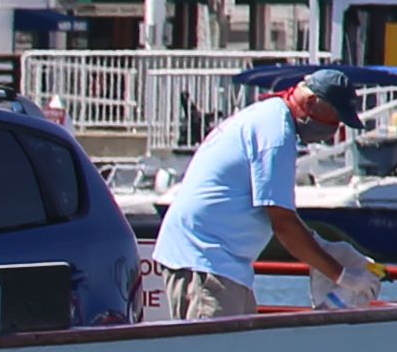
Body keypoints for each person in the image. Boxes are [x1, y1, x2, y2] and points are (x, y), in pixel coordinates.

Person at [153, 64, 366, 319]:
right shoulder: (276, 135)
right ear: (310, 102)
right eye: (334, 118)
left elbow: (278, 215)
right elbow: (283, 224)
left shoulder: (269, 117)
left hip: (221, 264)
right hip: (205, 263)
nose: (333, 130)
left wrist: (322, 246)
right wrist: (341, 275)